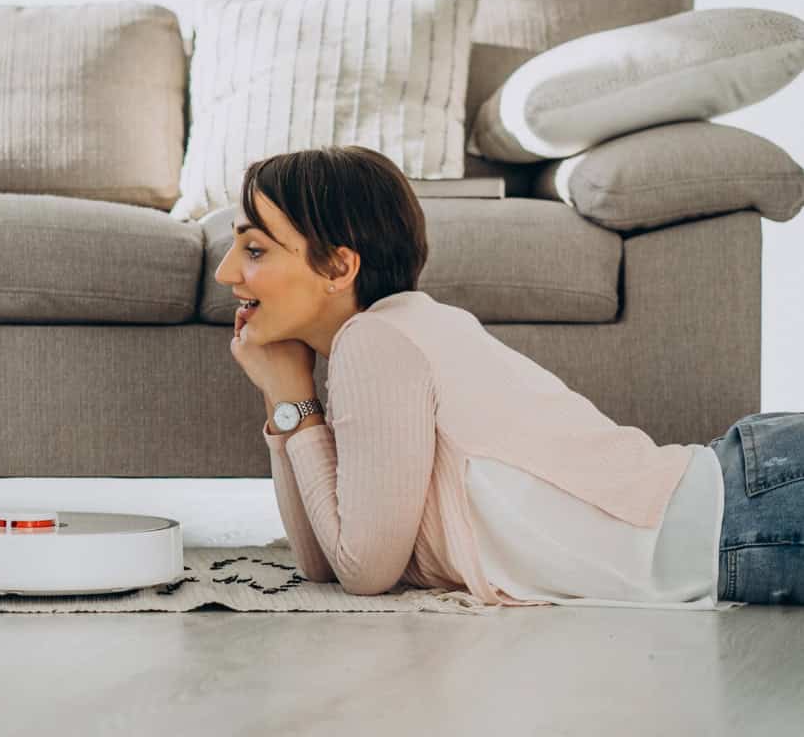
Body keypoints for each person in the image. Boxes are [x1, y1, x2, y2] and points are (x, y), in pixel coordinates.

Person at [217, 145, 804, 607]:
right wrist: (283, 398)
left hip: (750, 508)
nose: (225, 273)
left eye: (255, 249)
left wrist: (296, 399)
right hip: (747, 508)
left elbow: (362, 570)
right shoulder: (393, 332)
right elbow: (324, 561)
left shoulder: (378, 342)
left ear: (339, 266)